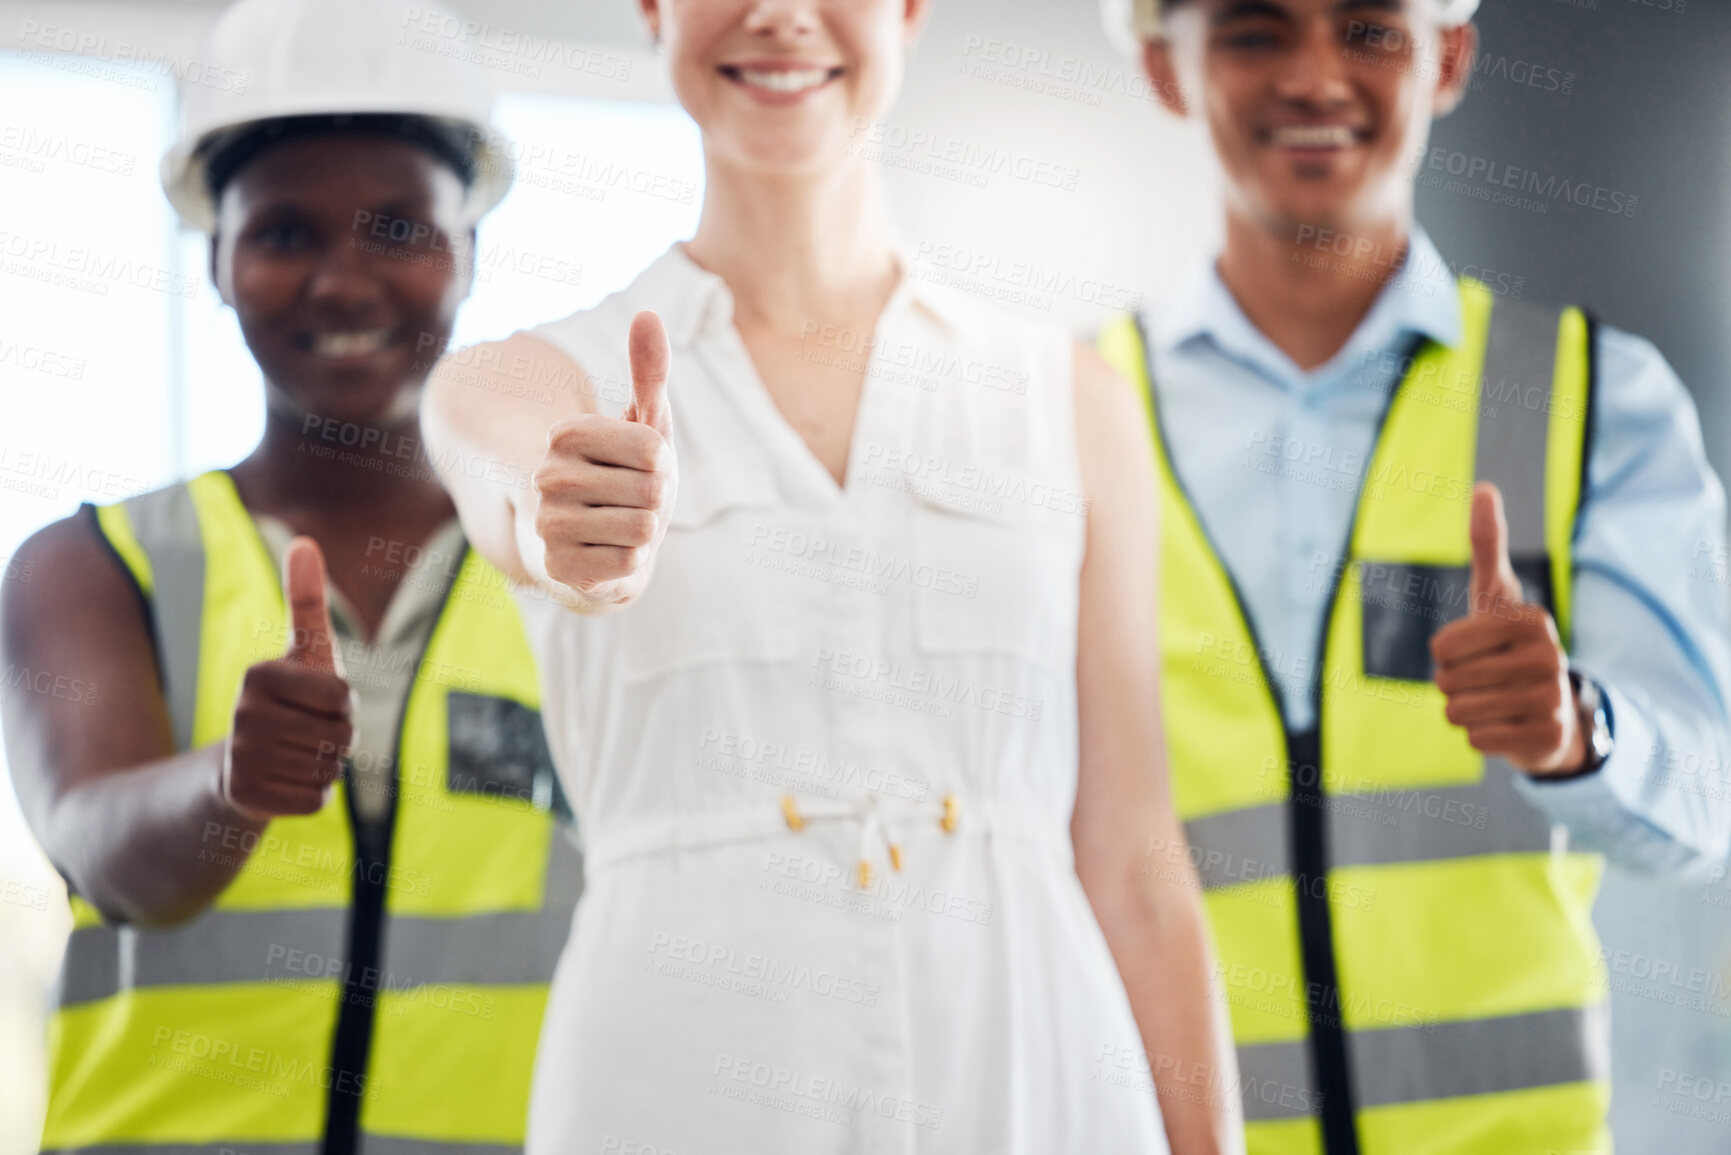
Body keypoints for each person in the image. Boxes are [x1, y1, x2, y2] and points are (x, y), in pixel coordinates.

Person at [420, 0, 1242, 1152]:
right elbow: (517, 483)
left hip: (1036, 1086)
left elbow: (1136, 865)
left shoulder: (1068, 402)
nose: (780, 15)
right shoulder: (523, 382)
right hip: (685, 1093)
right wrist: (571, 526)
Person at [1095, 0, 1731, 1152]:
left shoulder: (1596, 403)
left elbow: (1707, 793)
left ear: (1449, 57)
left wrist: (1578, 731)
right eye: (1252, 32)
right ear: (1163, 70)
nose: (1314, 77)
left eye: (1368, 30)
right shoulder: (1067, 417)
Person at [0, 2, 582, 1152]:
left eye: (399, 229)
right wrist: (232, 786)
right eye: (284, 233)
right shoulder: (91, 566)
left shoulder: (565, 580)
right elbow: (102, 847)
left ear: (472, 249)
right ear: (215, 258)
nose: (344, 281)